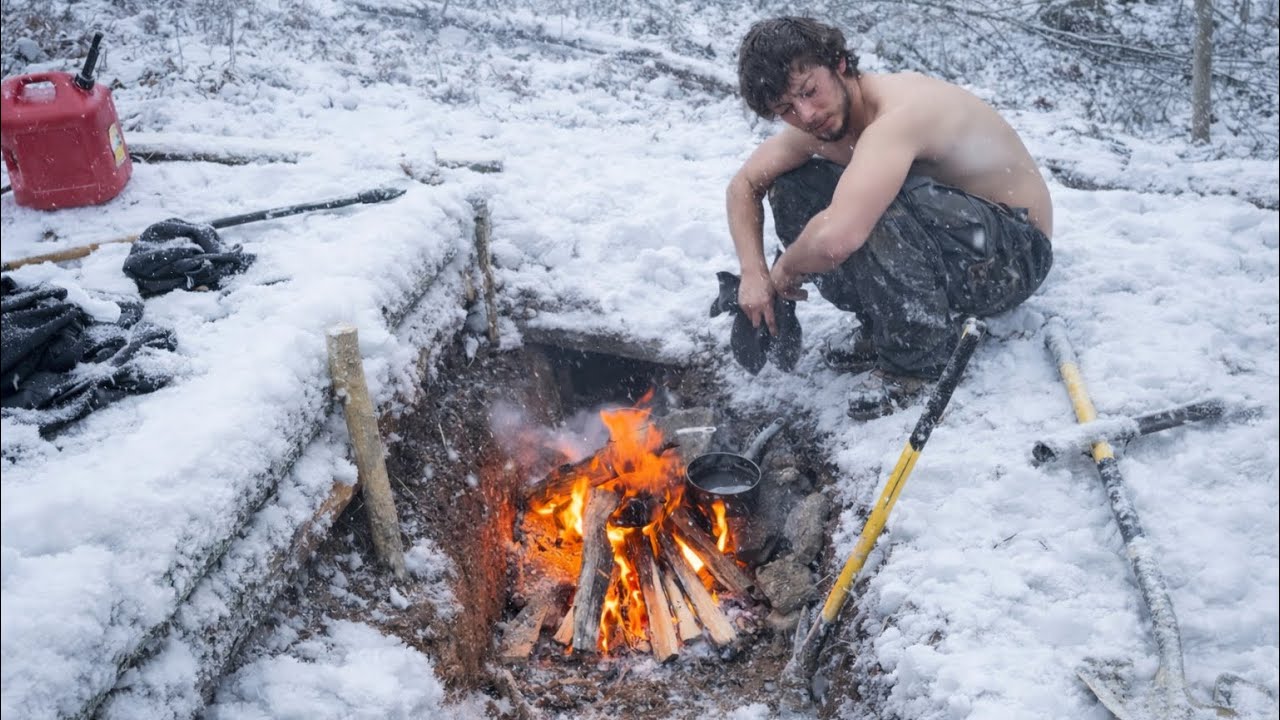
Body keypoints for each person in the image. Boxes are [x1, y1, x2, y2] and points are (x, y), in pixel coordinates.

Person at [726, 17, 1054, 419]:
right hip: (950, 243)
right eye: (786, 109)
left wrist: (786, 268)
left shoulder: (900, 113)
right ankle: (889, 324)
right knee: (792, 186)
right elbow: (743, 185)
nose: (806, 114)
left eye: (809, 91)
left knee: (865, 205)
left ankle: (920, 357)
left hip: (1013, 254)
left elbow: (838, 238)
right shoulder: (820, 122)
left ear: (839, 63)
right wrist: (753, 272)